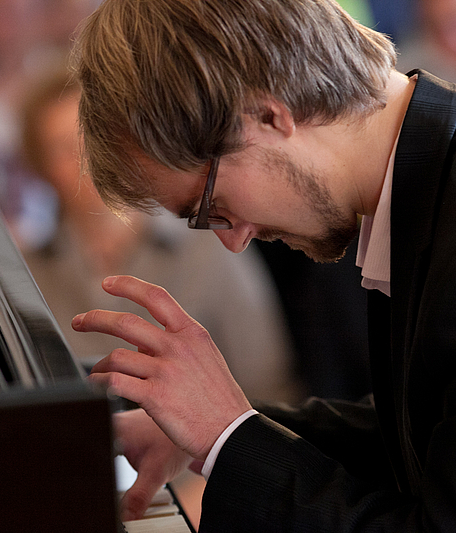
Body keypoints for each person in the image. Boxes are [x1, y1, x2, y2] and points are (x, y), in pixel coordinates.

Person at [70, 0, 456, 530]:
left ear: (269, 116)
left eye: (211, 207)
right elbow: (446, 432)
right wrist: (212, 431)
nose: (234, 241)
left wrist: (229, 438)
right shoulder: (451, 167)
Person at [20, 67, 302, 404]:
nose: (86, 162)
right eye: (63, 148)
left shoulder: (208, 246)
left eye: (93, 141)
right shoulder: (28, 272)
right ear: (41, 167)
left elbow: (268, 382)